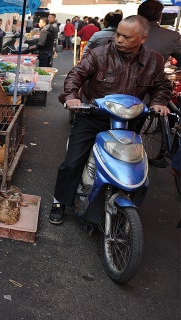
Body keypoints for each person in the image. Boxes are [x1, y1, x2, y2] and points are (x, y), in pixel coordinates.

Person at [49, 15, 172, 225]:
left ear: (142, 38)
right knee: (72, 163)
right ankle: (60, 201)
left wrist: (159, 101)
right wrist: (71, 97)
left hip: (129, 121)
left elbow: (161, 86)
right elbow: (75, 75)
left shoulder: (154, 60)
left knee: (132, 162)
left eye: (126, 36)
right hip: (92, 117)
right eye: (118, 34)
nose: (119, 40)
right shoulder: (99, 54)